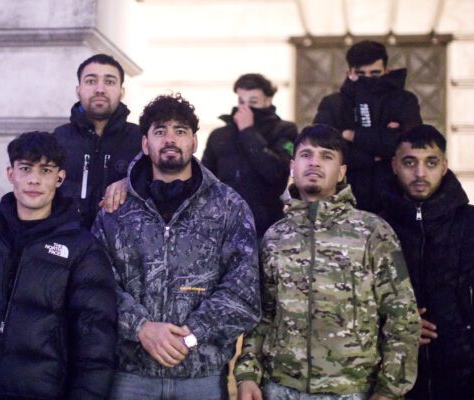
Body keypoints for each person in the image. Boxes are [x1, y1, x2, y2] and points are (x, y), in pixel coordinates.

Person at [92, 93, 261, 400]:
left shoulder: (228, 207)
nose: (170, 139)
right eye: (160, 131)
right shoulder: (116, 209)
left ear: (194, 142)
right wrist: (141, 328)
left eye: (180, 131)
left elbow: (244, 292)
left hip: (201, 377)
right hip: (131, 376)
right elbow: (95, 283)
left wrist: (191, 336)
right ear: (145, 144)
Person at [235, 124, 420, 400]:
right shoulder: (275, 237)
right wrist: (248, 374)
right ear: (292, 167)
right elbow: (262, 314)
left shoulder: (373, 233)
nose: (314, 162)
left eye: (326, 156)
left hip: (352, 391)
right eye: (306, 154)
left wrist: (389, 391)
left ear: (341, 172)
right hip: (281, 389)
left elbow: (402, 316)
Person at [0, 131, 117, 399]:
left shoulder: (82, 249)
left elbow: (95, 347)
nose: (34, 179)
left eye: (45, 170)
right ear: (11, 174)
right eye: (25, 168)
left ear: (60, 178)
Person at [380, 125, 474, 400]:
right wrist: (399, 324)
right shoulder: (377, 229)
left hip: (464, 377)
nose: (420, 173)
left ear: (444, 166)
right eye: (410, 163)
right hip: (395, 379)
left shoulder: (469, 224)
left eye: (431, 163)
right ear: (395, 165)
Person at [314, 40, 422, 213]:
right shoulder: (333, 104)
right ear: (349, 73)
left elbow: (410, 147)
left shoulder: (405, 101)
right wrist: (377, 154)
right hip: (343, 203)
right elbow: (323, 152)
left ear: (386, 71)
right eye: (361, 74)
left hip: (396, 201)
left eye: (375, 73)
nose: (368, 79)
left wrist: (352, 136)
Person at [202, 73, 298, 237]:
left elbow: (276, 173)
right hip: (226, 224)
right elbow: (204, 178)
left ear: (268, 100)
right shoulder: (220, 135)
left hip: (267, 225)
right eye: (241, 101)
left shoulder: (284, 130)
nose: (246, 108)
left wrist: (248, 131)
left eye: (253, 102)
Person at [53, 53, 142, 227]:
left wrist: (129, 183)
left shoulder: (141, 140)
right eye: (91, 81)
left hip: (122, 239)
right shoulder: (58, 139)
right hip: (68, 238)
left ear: (122, 92)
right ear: (78, 90)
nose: (100, 89)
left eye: (109, 82)